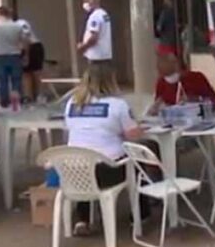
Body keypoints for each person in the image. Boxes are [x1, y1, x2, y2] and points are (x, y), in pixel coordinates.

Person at [64, 64, 155, 235]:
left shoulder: (72, 103)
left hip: (73, 172)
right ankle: (140, 215)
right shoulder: (117, 105)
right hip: (107, 172)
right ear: (110, 81)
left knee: (85, 158)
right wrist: (141, 127)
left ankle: (83, 219)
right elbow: (132, 135)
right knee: (136, 162)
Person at [149, 52, 215, 114]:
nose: (170, 79)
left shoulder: (196, 78)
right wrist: (156, 108)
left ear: (178, 68)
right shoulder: (162, 82)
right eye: (166, 76)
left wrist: (197, 100)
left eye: (172, 74)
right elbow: (157, 107)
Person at [13, 10, 46, 104]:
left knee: (36, 73)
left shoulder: (21, 24)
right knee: (26, 73)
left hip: (33, 47)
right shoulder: (11, 26)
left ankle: (39, 95)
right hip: (23, 49)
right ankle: (29, 96)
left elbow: (26, 40)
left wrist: (26, 55)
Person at [78, 0, 113, 68]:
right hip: (105, 55)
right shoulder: (104, 14)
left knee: (93, 79)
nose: (84, 4)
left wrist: (83, 47)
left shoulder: (95, 16)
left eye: (86, 1)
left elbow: (94, 37)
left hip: (96, 57)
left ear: (91, 2)